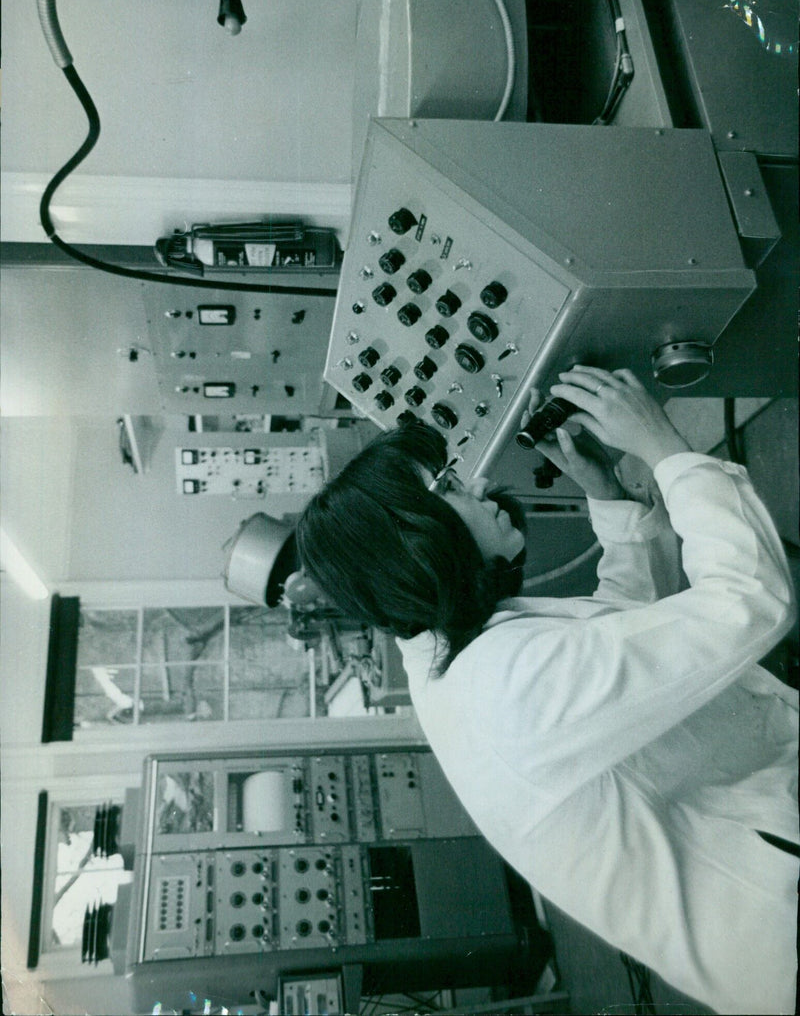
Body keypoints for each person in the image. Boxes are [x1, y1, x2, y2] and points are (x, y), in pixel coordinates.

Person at [296, 365, 798, 1015]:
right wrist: (663, 446)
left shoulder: (456, 655)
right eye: (448, 486)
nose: (475, 483)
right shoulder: (504, 689)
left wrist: (608, 493)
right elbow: (747, 601)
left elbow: (616, 638)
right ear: (418, 539)